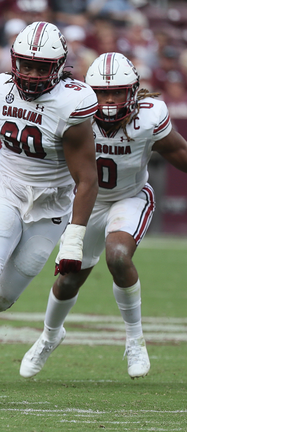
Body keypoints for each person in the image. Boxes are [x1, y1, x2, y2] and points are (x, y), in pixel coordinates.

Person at [0, 21, 99, 391]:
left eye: (40, 67)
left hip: (52, 204)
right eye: (24, 65)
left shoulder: (72, 103)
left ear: (58, 67)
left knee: (2, 300)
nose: (29, 74)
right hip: (6, 190)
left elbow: (88, 179)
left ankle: (27, 321)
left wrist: (75, 238)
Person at [18, 52, 187, 380]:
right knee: (68, 279)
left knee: (118, 256)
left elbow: (181, 154)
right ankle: (50, 335)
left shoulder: (150, 117)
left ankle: (135, 339)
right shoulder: (75, 112)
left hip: (130, 197)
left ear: (133, 91)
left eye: (117, 92)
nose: (108, 101)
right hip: (86, 202)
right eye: (102, 93)